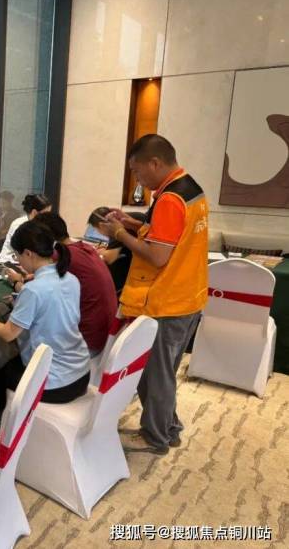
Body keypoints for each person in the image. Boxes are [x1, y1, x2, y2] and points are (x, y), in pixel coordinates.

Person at [98, 134, 208, 455]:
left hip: (167, 301)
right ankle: (169, 428)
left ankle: (154, 437)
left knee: (155, 373)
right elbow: (166, 234)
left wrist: (119, 233)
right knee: (166, 371)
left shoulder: (171, 199)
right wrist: (132, 223)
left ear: (155, 163)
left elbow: (158, 256)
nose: (138, 179)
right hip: (188, 296)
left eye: (137, 171)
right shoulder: (189, 189)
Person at [0, 220, 91, 403]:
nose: (18, 261)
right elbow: (51, 309)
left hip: (54, 383)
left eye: (17, 256)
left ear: (28, 253)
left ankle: (1, 419)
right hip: (82, 373)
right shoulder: (70, 278)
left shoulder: (33, 290)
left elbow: (8, 334)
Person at [34, 212, 117, 356]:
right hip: (106, 335)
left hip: (87, 343)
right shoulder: (85, 248)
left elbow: (41, 292)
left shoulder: (63, 256)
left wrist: (18, 282)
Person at [88, 206, 147, 293]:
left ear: (101, 225)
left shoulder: (117, 232)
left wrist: (100, 253)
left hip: (124, 287)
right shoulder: (138, 218)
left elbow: (109, 257)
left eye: (97, 230)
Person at [0, 194, 51, 264]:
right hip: (11, 262)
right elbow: (23, 252)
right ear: (34, 213)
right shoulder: (19, 225)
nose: (48, 217)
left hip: (27, 261)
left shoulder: (39, 224)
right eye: (46, 214)